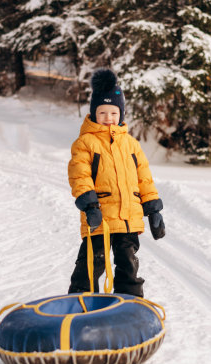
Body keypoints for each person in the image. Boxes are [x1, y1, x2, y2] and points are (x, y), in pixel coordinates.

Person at [68, 68, 165, 297]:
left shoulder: (131, 144)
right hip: (99, 217)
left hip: (128, 219)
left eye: (113, 113)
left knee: (128, 264)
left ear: (121, 114)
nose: (108, 118)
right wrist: (90, 205)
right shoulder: (85, 143)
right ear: (94, 113)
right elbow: (79, 175)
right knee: (92, 263)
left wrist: (153, 210)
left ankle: (130, 304)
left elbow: (144, 178)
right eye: (102, 113)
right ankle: (80, 301)